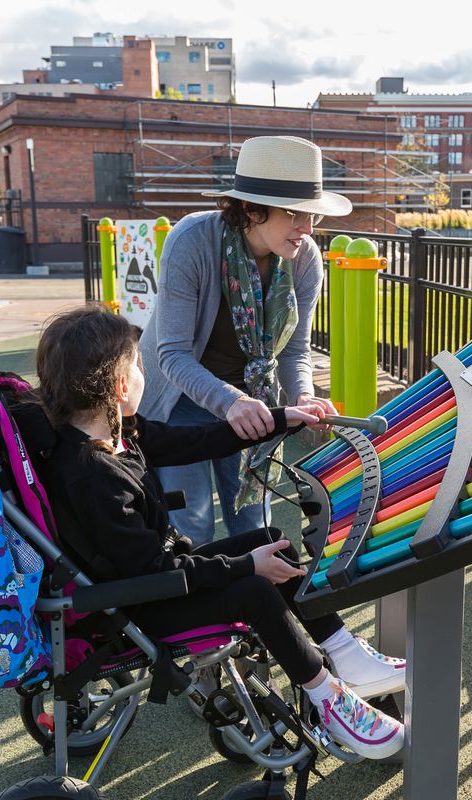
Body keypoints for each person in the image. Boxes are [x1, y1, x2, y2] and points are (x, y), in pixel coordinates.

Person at [34, 306, 406, 760]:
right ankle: (327, 697)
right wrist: (245, 566)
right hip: (137, 606)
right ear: (120, 386)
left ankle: (343, 651)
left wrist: (282, 417)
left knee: (273, 539)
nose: (143, 373)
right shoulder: (93, 474)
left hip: (157, 579)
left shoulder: (117, 432)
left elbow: (199, 441)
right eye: (138, 365)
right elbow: (152, 570)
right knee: (255, 588)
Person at [139, 135, 346, 546]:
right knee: (191, 527)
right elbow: (173, 354)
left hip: (254, 398)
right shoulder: (192, 242)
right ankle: (200, 612)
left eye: (313, 217)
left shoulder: (304, 259)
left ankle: (246, 611)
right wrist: (230, 402)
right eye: (295, 214)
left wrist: (302, 395)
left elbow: (293, 349)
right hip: (179, 401)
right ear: (251, 209)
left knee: (253, 525)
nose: (307, 229)